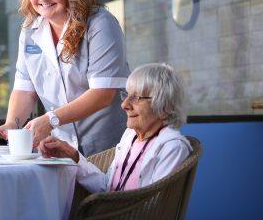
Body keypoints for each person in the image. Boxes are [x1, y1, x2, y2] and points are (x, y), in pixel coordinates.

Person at [0, 0, 130, 156]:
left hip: (107, 146)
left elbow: (103, 93)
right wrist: (10, 125)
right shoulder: (30, 30)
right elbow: (25, 88)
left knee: (104, 189)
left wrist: (51, 119)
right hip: (62, 149)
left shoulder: (100, 23)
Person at [39, 63, 192, 192]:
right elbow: (108, 187)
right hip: (109, 217)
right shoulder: (130, 136)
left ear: (164, 107)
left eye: (136, 98)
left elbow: (153, 206)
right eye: (126, 95)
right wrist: (73, 156)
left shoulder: (172, 147)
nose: (124, 105)